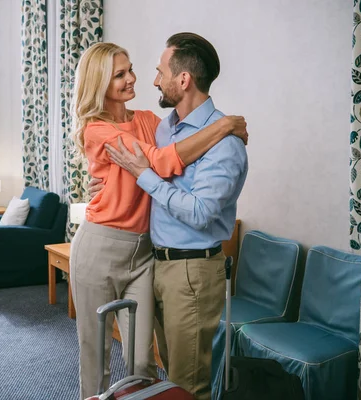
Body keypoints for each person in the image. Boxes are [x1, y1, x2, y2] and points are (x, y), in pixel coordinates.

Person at [69, 41, 248, 399]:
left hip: (144, 253)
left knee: (143, 364)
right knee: (96, 357)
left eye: (131, 69)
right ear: (99, 82)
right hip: (101, 244)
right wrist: (225, 124)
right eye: (120, 74)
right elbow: (162, 162)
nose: (134, 79)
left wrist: (223, 129)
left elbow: (162, 160)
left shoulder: (152, 122)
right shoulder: (97, 130)